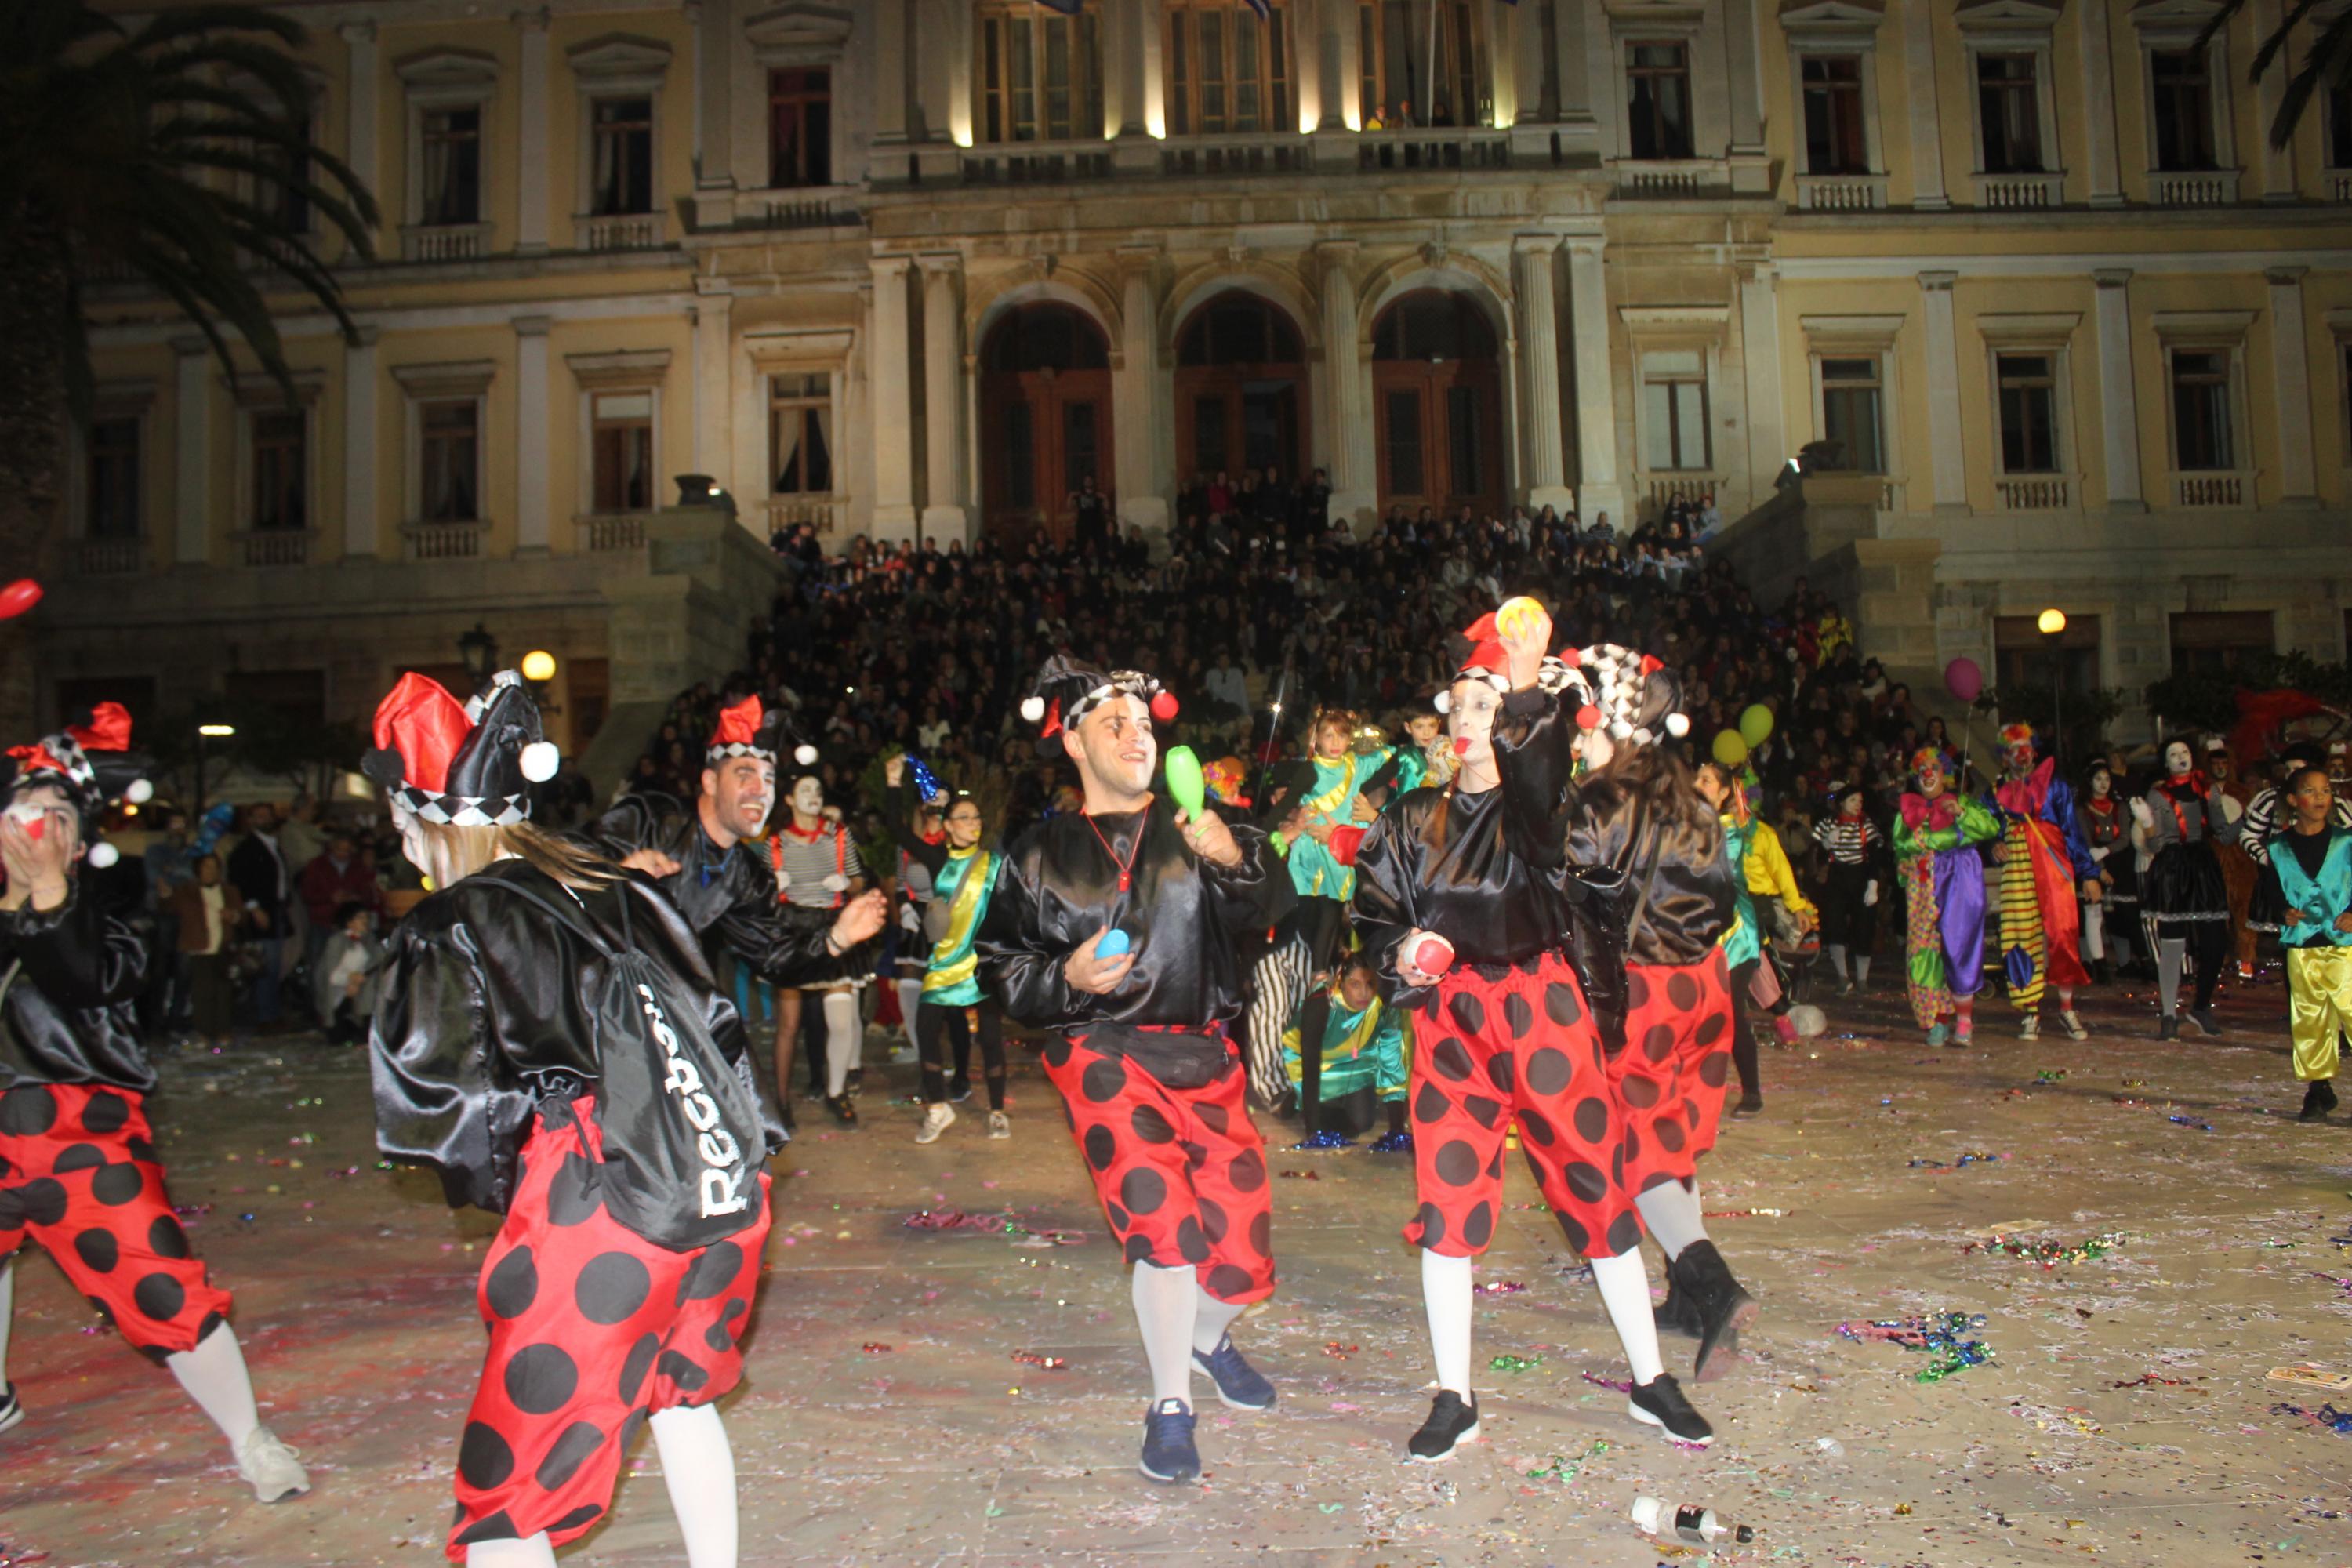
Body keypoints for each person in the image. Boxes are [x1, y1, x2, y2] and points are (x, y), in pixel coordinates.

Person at [368, 670, 771, 1568]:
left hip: (601, 1208)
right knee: (681, 1394)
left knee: (509, 1500)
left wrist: (516, 1193)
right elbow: (718, 1027)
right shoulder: (621, 887)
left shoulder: (452, 918)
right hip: (721, 1183)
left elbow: (449, 1109)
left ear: (423, 826)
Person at [1353, 610, 1713, 1461]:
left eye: (1488, 705)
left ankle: (1651, 1380)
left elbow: (1544, 786)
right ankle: (1454, 1395)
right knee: (1447, 1203)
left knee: (1595, 1188)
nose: (1470, 717)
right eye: (1462, 704)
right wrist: (1400, 951)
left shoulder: (1543, 811)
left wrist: (1522, 686)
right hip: (1453, 1021)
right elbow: (1373, 914)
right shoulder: (1406, 819)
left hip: (1544, 1007)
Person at [976, 656, 1292, 1486]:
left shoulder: (1199, 824)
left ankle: (1204, 1340)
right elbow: (1002, 969)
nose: (1135, 736)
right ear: (1074, 742)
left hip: (1204, 1053)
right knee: (1164, 1228)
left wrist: (1233, 857)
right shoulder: (1039, 854)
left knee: (1244, 1258)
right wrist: (1067, 977)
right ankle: (1170, 1404)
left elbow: (1269, 909)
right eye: (1112, 723)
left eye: (1144, 724)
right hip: (1102, 1051)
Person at [0, 704, 307, 1501]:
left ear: (79, 840)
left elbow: (83, 978)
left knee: (161, 1285)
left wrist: (47, 893)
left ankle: (251, 1437)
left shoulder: (112, 917)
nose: (40, 826)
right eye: (27, 809)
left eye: (60, 816)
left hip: (81, 1138)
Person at [1492, 641, 1753, 1391]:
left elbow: (1554, 874)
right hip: (1705, 984)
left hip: (1644, 991)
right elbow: (1724, 896)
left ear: (1605, 721)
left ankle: (1711, 1282)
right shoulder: (1690, 798)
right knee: (1675, 1138)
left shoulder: (1603, 802)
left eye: (1580, 724)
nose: (1575, 740)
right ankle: (1684, 1297)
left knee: (1637, 1148)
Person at [586, 695, 884, 1133]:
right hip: (593, 1016)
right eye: (745, 775)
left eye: (768, 778)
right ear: (710, 781)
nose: (760, 790)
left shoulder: (745, 874)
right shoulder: (650, 820)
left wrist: (838, 937)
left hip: (662, 1020)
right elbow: (564, 870)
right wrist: (614, 876)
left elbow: (775, 954)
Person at [884, 757, 1011, 1143]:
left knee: (991, 1038)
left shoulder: (994, 863)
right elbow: (896, 829)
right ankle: (938, 1109)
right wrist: (893, 783)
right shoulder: (938, 859)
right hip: (943, 963)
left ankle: (998, 1111)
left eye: (977, 818)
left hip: (981, 963)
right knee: (926, 1030)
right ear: (949, 825)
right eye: (964, 818)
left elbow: (1012, 910)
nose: (973, 823)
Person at [2252, 765, 2352, 1121]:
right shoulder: (2277, 848)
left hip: (2345, 944)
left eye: (2326, 791)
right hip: (2303, 946)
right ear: (2294, 800)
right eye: (2311, 791)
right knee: (2310, 1019)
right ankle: (2318, 1090)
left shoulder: (2347, 842)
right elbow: (2271, 890)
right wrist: (2283, 910)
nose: (2321, 797)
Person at [1990, 724, 2100, 1041]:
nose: (2021, 754)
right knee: (2019, 938)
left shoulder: (2056, 785)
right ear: (2005, 756)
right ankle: (2031, 1012)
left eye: (2025, 747)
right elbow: (1988, 829)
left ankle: (2067, 1008)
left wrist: (2089, 874)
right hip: (2018, 870)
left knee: (2063, 934)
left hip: (2053, 865)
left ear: (2035, 751)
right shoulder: (1996, 790)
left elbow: (2072, 831)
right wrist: (1994, 846)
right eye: (2014, 749)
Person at [771, 773, 869, 1123]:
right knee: (789, 1025)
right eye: (805, 790)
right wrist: (772, 886)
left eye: (817, 790)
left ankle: (836, 1092)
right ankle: (781, 1102)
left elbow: (859, 880)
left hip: (832, 929)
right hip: (793, 932)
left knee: (841, 1022)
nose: (813, 795)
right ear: (789, 799)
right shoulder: (776, 843)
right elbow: (757, 897)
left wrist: (848, 884)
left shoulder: (839, 835)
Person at [1892, 749, 2000, 1047]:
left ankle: (1964, 1019)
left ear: (1945, 774)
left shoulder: (1961, 802)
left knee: (1958, 945)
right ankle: (1936, 1020)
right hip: (1920, 883)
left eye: (1934, 768)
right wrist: (1902, 865)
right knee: (1923, 951)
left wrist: (1961, 813)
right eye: (1922, 770)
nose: (1927, 774)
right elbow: (1900, 849)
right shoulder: (1907, 812)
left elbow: (1990, 828)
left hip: (1958, 875)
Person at [2136, 736, 2241, 1040]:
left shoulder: (2208, 790)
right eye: (2173, 753)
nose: (2181, 756)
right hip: (2172, 869)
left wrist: (2246, 818)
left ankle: (2201, 1007)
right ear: (2165, 762)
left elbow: (2224, 835)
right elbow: (2155, 845)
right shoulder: (2157, 795)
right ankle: (2169, 1014)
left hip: (2203, 867)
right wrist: (2147, 824)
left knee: (2216, 944)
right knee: (2173, 946)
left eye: (2185, 751)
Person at [1279, 956, 1410, 1149]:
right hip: (1319, 1066)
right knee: (1327, 1124)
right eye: (1355, 984)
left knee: (1362, 1124)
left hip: (1359, 1064)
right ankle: (1295, 1100)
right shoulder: (1322, 1003)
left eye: (1370, 984)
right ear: (1341, 982)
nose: (1364, 993)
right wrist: (1313, 1132)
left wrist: (1397, 1130)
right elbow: (1310, 1065)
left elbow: (1392, 1061)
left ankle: (1334, 1104)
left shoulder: (1383, 1005)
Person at [1809, 786, 1885, 995]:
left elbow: (1875, 858)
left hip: (1861, 877)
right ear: (1841, 803)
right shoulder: (1828, 824)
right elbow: (1817, 855)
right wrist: (1826, 843)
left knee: (1864, 927)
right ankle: (1842, 976)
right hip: (1837, 877)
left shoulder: (1866, 825)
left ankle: (1862, 979)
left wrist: (1873, 885)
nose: (1858, 804)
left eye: (1860, 801)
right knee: (1834, 925)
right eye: (1853, 800)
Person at [226, 802, 292, 1028]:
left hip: (276, 910)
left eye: (267, 815)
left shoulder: (274, 845)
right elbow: (239, 881)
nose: (265, 819)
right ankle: (265, 1016)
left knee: (274, 966)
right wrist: (254, 908)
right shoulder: (246, 849)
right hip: (261, 913)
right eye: (259, 816)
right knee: (264, 965)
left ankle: (271, 1013)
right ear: (251, 820)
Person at [2075, 760, 2137, 984]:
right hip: (2091, 861)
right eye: (2098, 779)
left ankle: (2125, 962)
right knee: (2093, 912)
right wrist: (2099, 867)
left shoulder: (2119, 807)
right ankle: (2097, 963)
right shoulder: (2082, 809)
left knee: (2121, 913)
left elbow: (2125, 838)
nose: (2103, 784)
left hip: (2117, 860)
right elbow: (2084, 839)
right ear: (2090, 782)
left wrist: (2106, 850)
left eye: (2107, 779)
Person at [172, 852, 243, 1045]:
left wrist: (233, 916)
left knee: (224, 992)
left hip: (224, 947)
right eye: (206, 867)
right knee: (202, 993)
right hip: (199, 948)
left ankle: (224, 1031)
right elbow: (169, 906)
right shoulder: (188, 891)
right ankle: (203, 1032)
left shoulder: (229, 891)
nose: (210, 871)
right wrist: (164, 894)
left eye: (214, 867)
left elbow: (241, 915)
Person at [311, 900, 384, 1045]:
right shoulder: (337, 941)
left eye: (366, 918)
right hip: (339, 991)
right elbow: (330, 974)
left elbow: (376, 963)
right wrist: (349, 979)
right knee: (339, 1033)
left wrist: (359, 980)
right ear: (349, 922)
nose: (365, 921)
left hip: (362, 991)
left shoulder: (370, 941)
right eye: (360, 918)